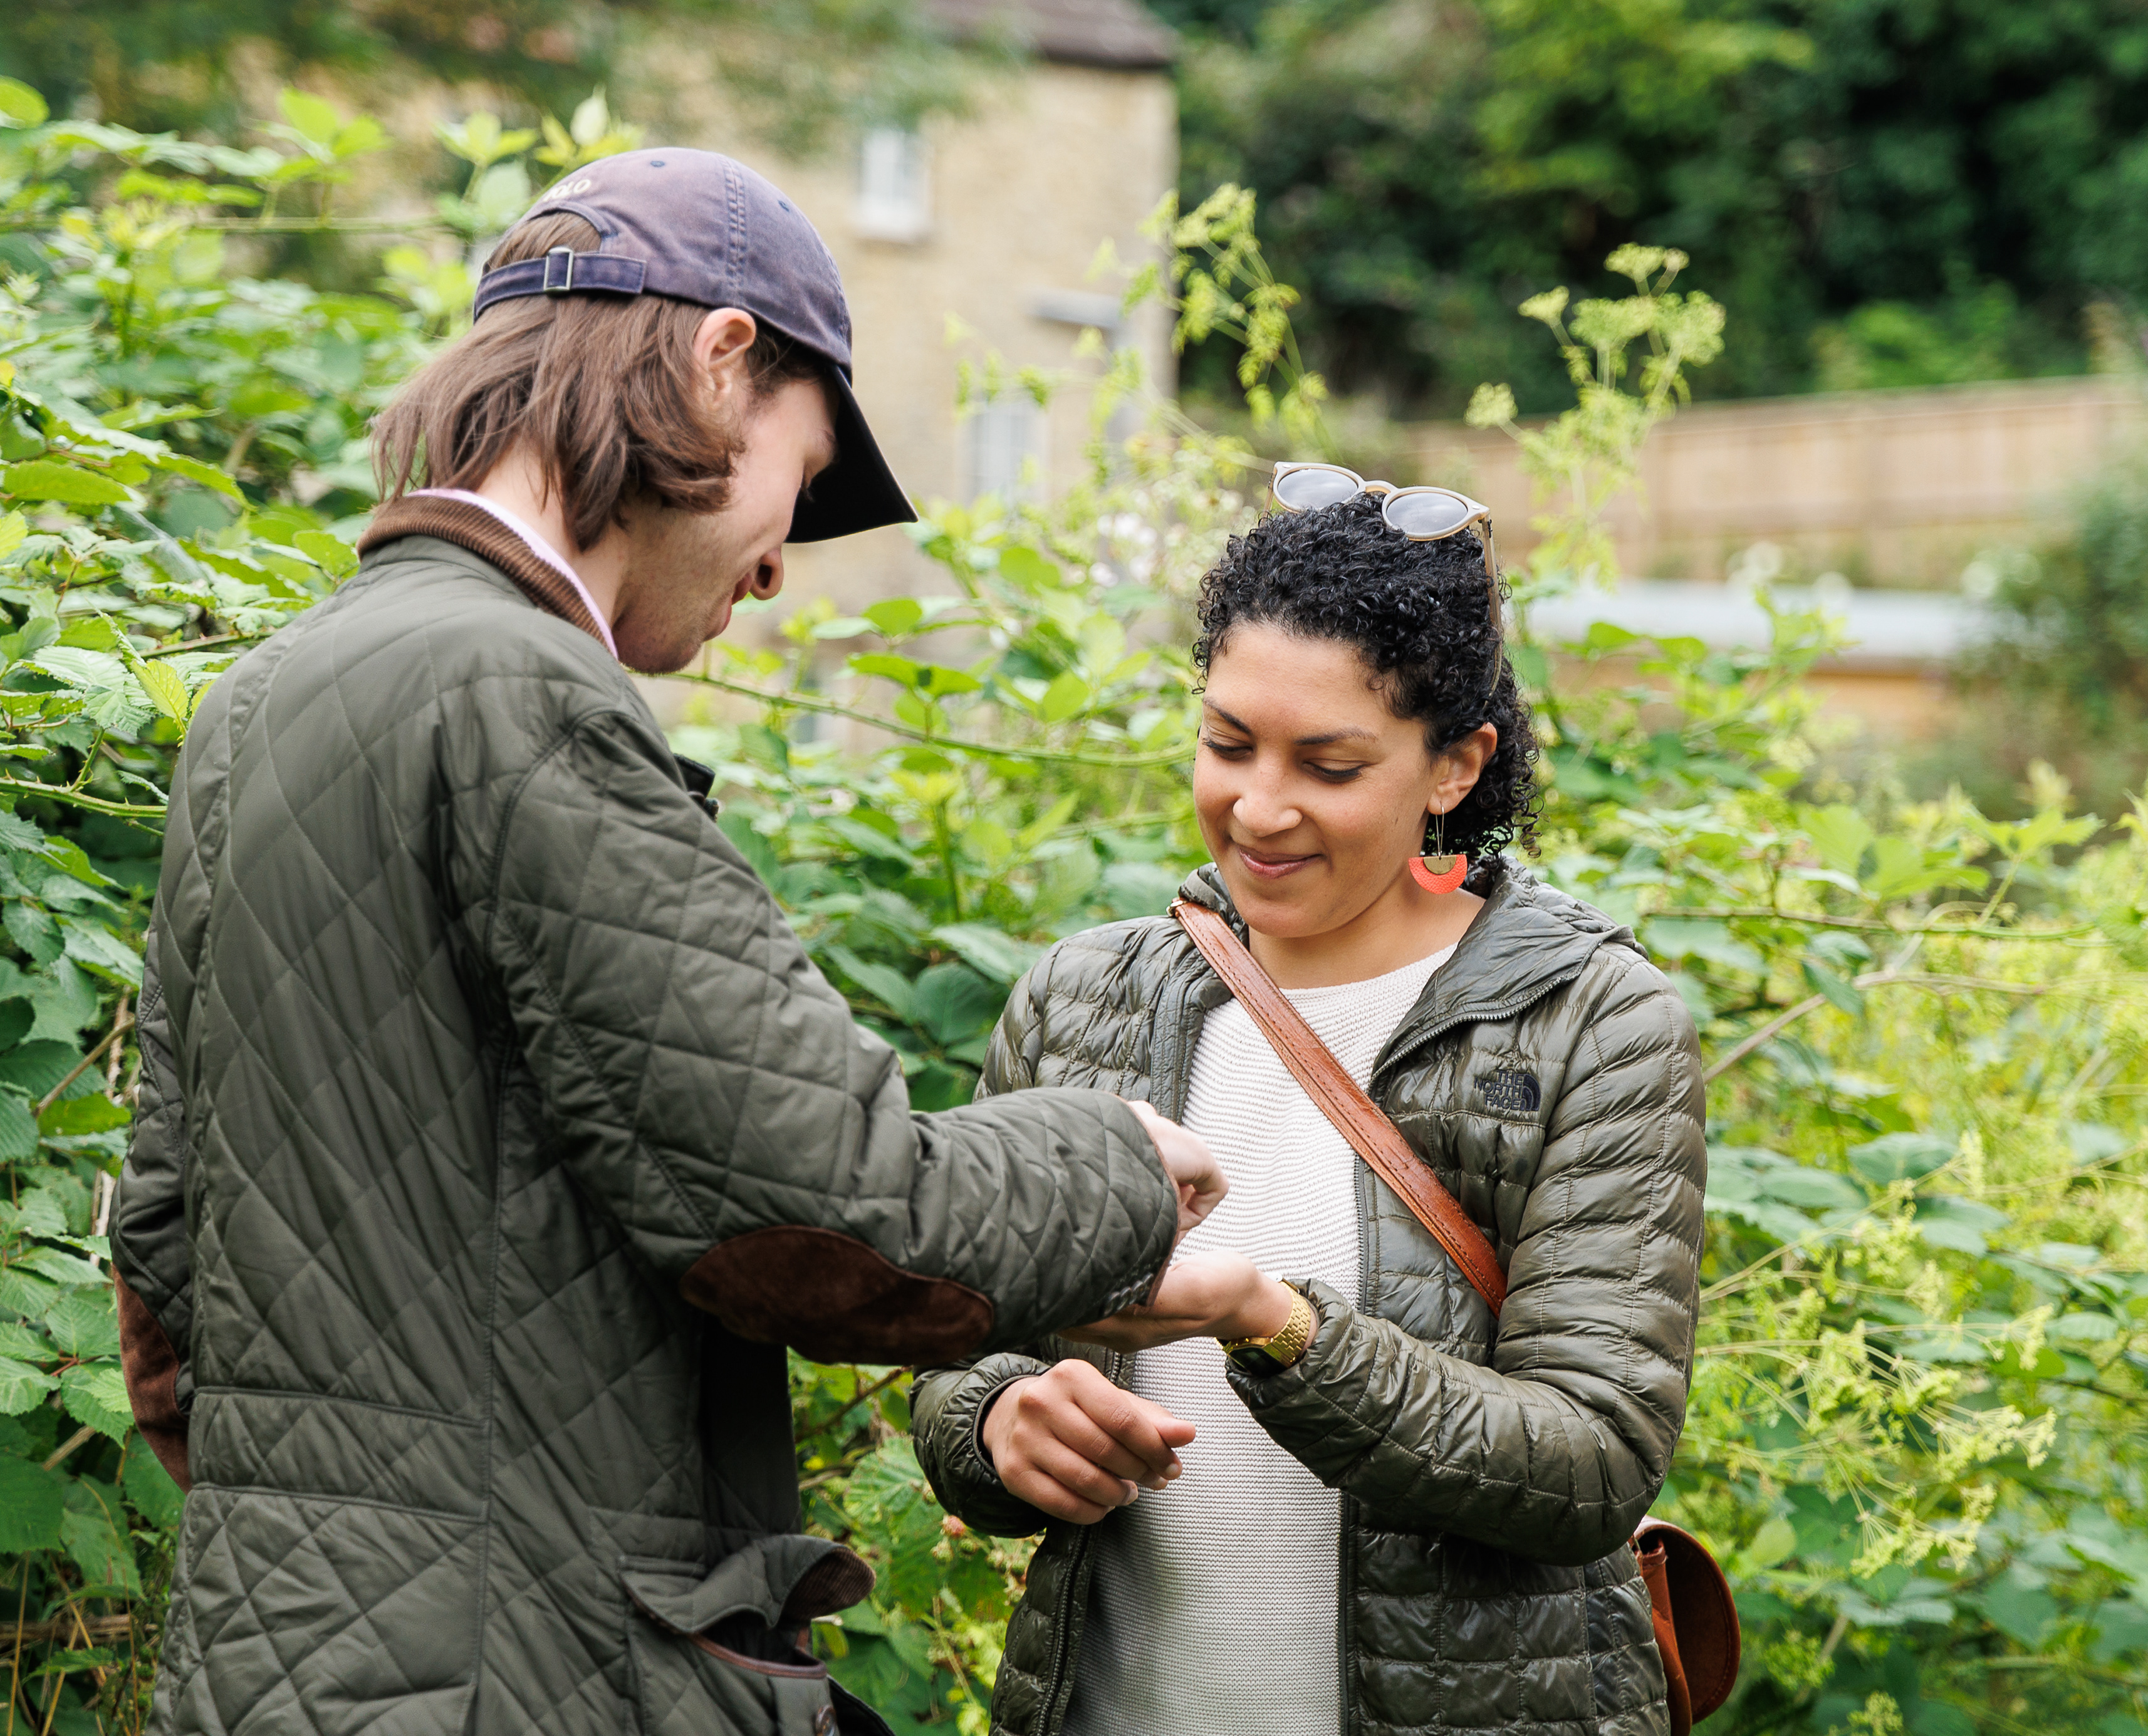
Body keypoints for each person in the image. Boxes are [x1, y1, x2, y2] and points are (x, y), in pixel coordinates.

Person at [108, 149, 1228, 1736]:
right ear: (721, 362)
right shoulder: (523, 696)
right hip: (522, 1679)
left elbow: (163, 1277)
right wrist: (1114, 1162)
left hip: (273, 1666)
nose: (778, 565)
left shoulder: (261, 698)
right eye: (804, 473)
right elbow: (822, 1215)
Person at [912, 480, 1709, 1736]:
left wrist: (1273, 1324)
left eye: (1328, 765)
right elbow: (959, 1345)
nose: (1259, 809)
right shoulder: (1082, 998)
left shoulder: (1590, 1024)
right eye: (1229, 743)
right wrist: (1000, 1419)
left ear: (1456, 765)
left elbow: (1591, 1461)